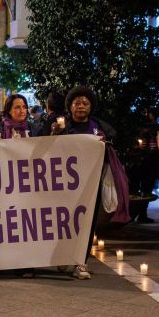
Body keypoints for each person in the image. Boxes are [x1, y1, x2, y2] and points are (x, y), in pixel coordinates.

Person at [49, 86, 117, 279]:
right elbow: (47, 150)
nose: (80, 106)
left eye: (85, 103)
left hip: (90, 187)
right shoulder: (62, 126)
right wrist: (55, 134)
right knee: (62, 223)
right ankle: (62, 257)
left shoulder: (99, 127)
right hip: (64, 187)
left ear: (91, 107)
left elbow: (110, 147)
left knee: (86, 224)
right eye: (76, 103)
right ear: (69, 106)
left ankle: (81, 262)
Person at [129, 109, 159, 223]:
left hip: (143, 161)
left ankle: (137, 214)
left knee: (139, 188)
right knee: (142, 188)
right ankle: (139, 214)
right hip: (145, 161)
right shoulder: (156, 128)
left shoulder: (154, 128)